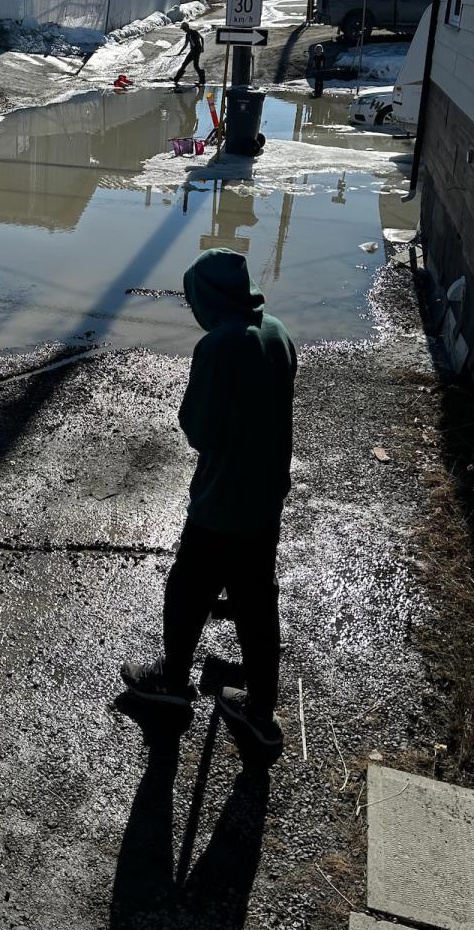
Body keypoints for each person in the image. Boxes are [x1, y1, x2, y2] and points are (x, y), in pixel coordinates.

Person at [121, 248, 297, 750]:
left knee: (187, 589)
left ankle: (172, 682)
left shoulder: (218, 346)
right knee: (257, 602)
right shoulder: (277, 333)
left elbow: (200, 431)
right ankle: (261, 712)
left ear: (208, 299)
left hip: (222, 501)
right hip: (265, 497)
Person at [174, 23, 205, 88]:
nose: (184, 30)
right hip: (192, 51)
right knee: (184, 64)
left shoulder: (194, 32)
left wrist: (202, 47)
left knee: (195, 65)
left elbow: (202, 38)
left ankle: (202, 79)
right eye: (183, 29)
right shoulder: (187, 35)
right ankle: (176, 79)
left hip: (197, 50)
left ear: (187, 27)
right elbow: (185, 44)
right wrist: (180, 52)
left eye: (184, 28)